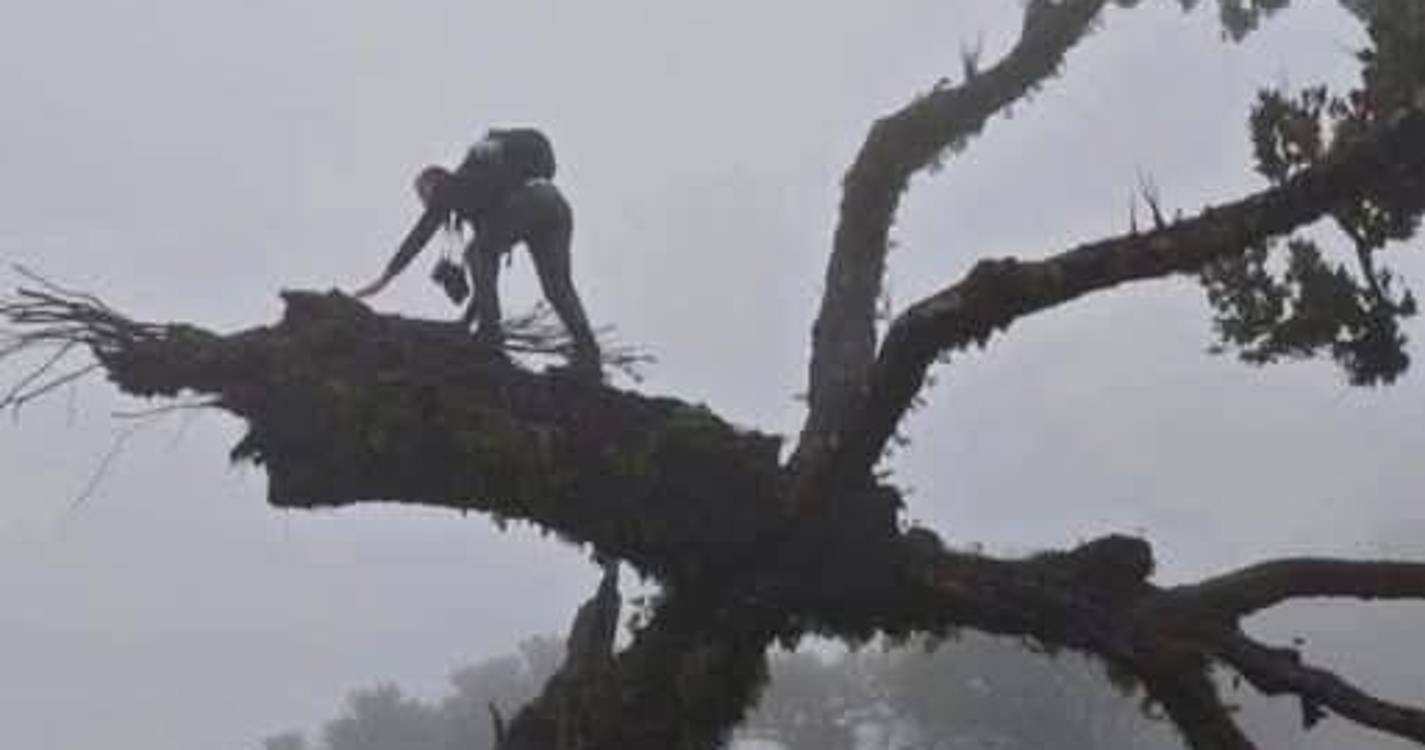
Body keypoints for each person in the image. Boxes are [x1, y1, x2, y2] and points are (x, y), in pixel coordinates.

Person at [354, 128, 601, 377]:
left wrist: (385, 277)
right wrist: (467, 321)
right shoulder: (480, 197)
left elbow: (421, 234)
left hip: (532, 200)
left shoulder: (451, 184)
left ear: (432, 182)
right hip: (554, 206)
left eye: (422, 194)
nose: (425, 203)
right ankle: (589, 356)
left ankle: (490, 337)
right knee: (557, 287)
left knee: (477, 253)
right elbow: (486, 273)